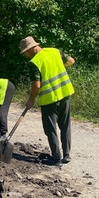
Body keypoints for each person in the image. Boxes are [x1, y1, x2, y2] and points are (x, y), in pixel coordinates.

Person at [21, 36, 75, 166]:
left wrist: (30, 100)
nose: (26, 55)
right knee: (65, 125)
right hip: (64, 93)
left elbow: (37, 85)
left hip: (49, 99)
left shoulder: (34, 62)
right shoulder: (55, 51)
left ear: (31, 49)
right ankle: (66, 155)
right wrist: (57, 66)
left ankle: (56, 158)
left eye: (26, 52)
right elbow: (71, 61)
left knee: (50, 129)